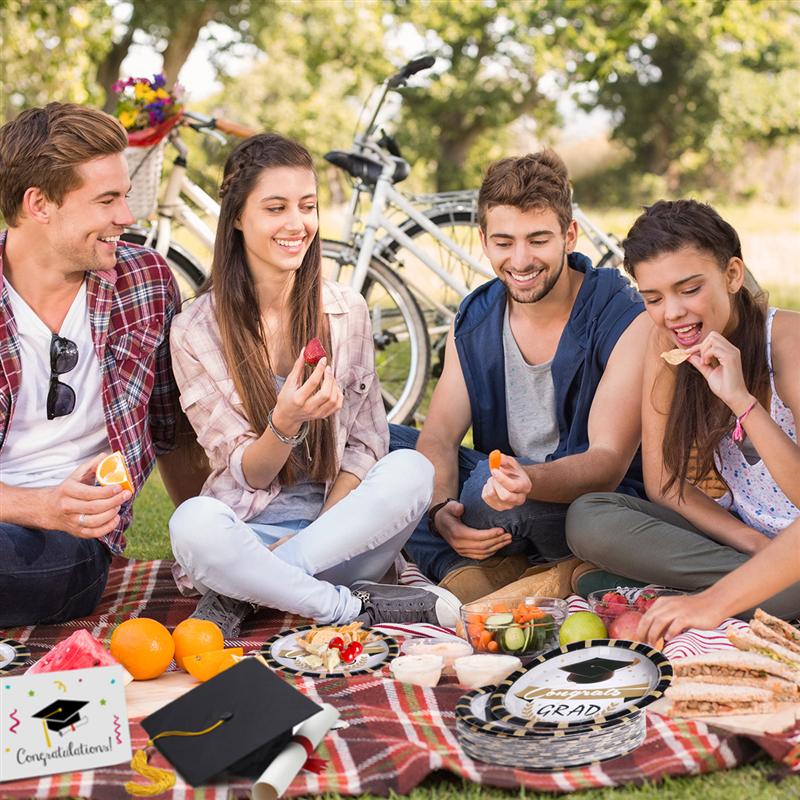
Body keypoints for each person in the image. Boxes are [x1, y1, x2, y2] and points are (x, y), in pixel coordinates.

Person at [168, 133, 460, 637]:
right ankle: (348, 607)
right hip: (247, 533)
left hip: (342, 535)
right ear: (237, 217)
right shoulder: (195, 330)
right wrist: (285, 422)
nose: (296, 224)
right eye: (275, 207)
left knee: (411, 467)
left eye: (308, 206)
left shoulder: (347, 311)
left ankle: (247, 594)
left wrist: (316, 535)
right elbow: (249, 476)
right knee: (191, 524)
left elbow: (366, 447)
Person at [390, 149, 652, 601]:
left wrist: (525, 482)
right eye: (504, 242)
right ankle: (479, 570)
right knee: (378, 446)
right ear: (484, 239)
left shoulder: (622, 314)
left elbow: (608, 463)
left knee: (483, 494)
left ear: (569, 235)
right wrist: (437, 511)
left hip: (581, 502)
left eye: (538, 239)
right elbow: (437, 438)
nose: (521, 260)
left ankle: (484, 567)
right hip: (502, 485)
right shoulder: (474, 318)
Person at [0, 103, 193, 628]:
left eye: (124, 196)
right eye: (107, 200)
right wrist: (36, 504)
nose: (127, 217)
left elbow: (175, 429)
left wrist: (211, 544)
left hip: (69, 544)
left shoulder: (146, 281)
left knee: (52, 566)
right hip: (16, 509)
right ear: (39, 203)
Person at [566, 199, 800, 631]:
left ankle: (696, 594)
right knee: (588, 518)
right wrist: (751, 544)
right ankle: (752, 591)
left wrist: (741, 401)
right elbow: (664, 484)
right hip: (743, 537)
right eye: (653, 298)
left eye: (689, 290)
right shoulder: (667, 344)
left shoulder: (788, 344)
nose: (672, 313)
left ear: (732, 275)